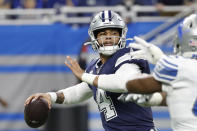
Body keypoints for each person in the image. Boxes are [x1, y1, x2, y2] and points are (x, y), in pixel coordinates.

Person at [25, 10, 157, 131]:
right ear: (94, 37)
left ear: (121, 35)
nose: (109, 37)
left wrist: (84, 75)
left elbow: (123, 82)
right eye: (103, 33)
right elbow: (79, 92)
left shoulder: (128, 56)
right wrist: (50, 96)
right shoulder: (95, 67)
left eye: (114, 33)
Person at [120, 14, 197, 131]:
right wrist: (157, 99)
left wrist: (159, 59)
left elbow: (136, 85)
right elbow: (186, 96)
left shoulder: (180, 65)